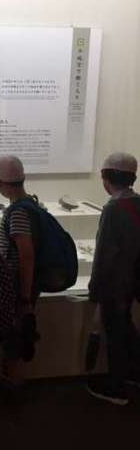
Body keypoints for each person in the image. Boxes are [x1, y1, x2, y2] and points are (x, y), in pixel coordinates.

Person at [87, 152, 140, 405]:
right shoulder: (137, 202)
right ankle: (133, 374)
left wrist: (94, 289)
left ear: (106, 178)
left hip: (117, 282)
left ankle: (116, 387)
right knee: (126, 327)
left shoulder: (113, 209)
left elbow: (104, 254)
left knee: (116, 332)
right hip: (134, 280)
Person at [0, 155, 38, 385]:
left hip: (17, 286)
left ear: (0, 184)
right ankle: (11, 379)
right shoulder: (30, 204)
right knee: (14, 333)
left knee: (14, 335)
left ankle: (12, 382)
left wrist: (25, 296)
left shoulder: (18, 211)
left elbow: (26, 255)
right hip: (19, 285)